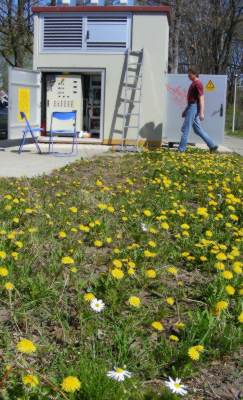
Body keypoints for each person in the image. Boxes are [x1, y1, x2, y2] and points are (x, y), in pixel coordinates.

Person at [178, 66, 218, 153]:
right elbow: (191, 100)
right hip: (191, 107)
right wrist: (186, 110)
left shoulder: (198, 83)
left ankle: (181, 150)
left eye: (190, 73)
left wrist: (201, 112)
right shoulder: (193, 83)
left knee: (186, 129)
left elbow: (201, 98)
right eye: (188, 73)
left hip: (193, 107)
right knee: (197, 130)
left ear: (195, 74)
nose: (188, 75)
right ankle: (212, 145)